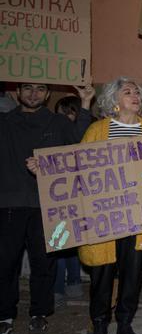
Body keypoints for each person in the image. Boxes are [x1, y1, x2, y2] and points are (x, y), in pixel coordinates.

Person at [73, 78, 142, 334]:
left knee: (132, 273)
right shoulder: (97, 130)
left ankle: (125, 325)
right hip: (105, 214)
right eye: (127, 92)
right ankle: (100, 328)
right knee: (102, 274)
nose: (134, 96)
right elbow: (77, 165)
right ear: (113, 100)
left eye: (137, 93)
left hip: (138, 215)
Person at [0, 83, 93, 334]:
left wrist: (85, 103)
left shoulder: (58, 122)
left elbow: (80, 146)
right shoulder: (4, 122)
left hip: (47, 204)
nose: (33, 94)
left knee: (44, 263)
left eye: (40, 89)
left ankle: (39, 314)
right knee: (5, 264)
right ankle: (4, 317)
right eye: (27, 88)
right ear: (16, 92)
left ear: (48, 94)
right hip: (9, 202)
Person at [51, 96, 86, 308]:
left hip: (78, 192)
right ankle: (58, 287)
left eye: (68, 112)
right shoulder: (53, 133)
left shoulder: (82, 133)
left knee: (72, 239)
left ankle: (73, 281)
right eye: (60, 113)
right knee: (59, 239)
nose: (63, 118)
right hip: (58, 193)